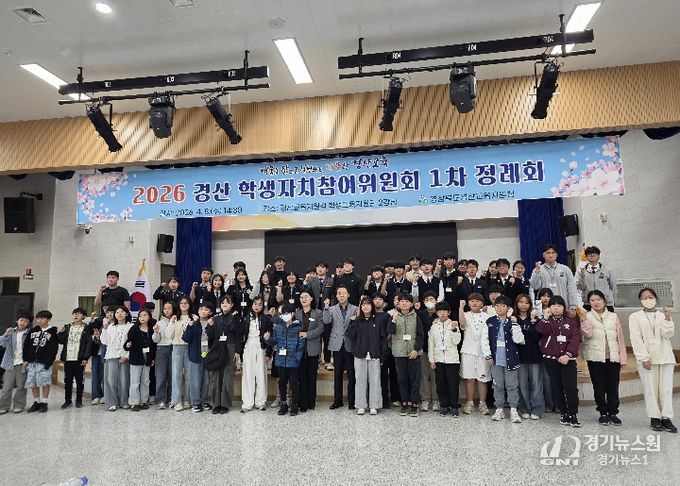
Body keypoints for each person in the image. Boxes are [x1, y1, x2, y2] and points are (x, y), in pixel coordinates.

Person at [628, 288, 676, 433]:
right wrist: (644, 358)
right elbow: (636, 338)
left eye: (650, 297)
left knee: (666, 389)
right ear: (640, 301)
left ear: (655, 298)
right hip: (648, 358)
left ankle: (666, 418)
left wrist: (668, 318)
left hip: (665, 357)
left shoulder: (662, 315)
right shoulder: (635, 317)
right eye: (644, 298)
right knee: (650, 389)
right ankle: (655, 417)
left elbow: (668, 334)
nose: (648, 300)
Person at [579, 289, 627, 426]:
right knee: (599, 387)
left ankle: (613, 412)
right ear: (589, 303)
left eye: (598, 299)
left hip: (612, 357)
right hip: (595, 358)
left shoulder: (613, 316)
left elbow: (620, 338)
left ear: (604, 301)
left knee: (613, 386)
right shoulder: (587, 316)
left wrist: (623, 357)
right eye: (592, 300)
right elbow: (587, 334)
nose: (596, 302)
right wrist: (583, 319)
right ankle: (603, 412)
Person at [536, 295, 581, 427]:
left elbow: (575, 339)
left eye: (559, 305)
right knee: (557, 387)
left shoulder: (571, 321)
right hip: (551, 359)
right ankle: (564, 413)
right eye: (553, 305)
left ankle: (573, 414)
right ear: (549, 307)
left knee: (571, 388)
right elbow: (541, 331)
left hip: (568, 359)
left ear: (563, 307)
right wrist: (545, 317)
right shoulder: (546, 321)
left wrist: (568, 354)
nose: (556, 308)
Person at [481, 296, 525, 423]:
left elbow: (519, 340)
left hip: (511, 358)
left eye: (503, 306)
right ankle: (499, 408)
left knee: (512, 385)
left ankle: (513, 409)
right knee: (497, 385)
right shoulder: (490, 321)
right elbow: (484, 339)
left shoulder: (513, 321)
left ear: (508, 308)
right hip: (495, 359)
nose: (500, 308)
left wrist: (515, 324)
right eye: (497, 305)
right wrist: (488, 355)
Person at [345, 296, 387, 416]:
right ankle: (360, 405)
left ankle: (374, 405)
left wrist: (383, 355)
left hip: (375, 354)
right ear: (360, 307)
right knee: (360, 381)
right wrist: (353, 321)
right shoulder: (357, 321)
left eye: (368, 304)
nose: (365, 306)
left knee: (375, 381)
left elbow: (382, 339)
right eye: (363, 305)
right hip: (360, 355)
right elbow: (349, 335)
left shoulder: (378, 320)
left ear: (372, 306)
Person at [387, 293, 424, 417]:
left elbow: (420, 335)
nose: (404, 303)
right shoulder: (393, 316)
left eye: (407, 301)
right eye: (402, 301)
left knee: (414, 379)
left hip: (413, 352)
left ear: (411, 304)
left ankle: (414, 404)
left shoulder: (416, 316)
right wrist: (393, 320)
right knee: (402, 379)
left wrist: (416, 349)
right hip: (399, 352)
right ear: (398, 303)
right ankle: (404, 403)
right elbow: (390, 332)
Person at [264, 303, 304, 416]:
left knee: (294, 384)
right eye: (283, 313)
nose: (285, 315)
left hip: (293, 361)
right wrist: (267, 339)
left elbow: (301, 345)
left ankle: (294, 404)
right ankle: (283, 404)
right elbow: (273, 341)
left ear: (292, 314)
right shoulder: (278, 327)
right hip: (280, 361)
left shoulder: (298, 327)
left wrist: (297, 357)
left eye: (287, 313)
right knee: (282, 383)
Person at [324, 285, 359, 409]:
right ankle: (337, 400)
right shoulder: (331, 309)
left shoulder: (355, 309)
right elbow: (326, 321)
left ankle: (352, 401)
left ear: (348, 295)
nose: (342, 295)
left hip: (350, 344)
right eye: (339, 293)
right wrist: (326, 308)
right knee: (337, 374)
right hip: (337, 344)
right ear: (336, 296)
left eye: (344, 293)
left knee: (351, 374)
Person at [458, 294, 491, 415]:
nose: (474, 303)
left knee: (482, 379)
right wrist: (461, 308)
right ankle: (470, 403)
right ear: (468, 303)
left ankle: (482, 403)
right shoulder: (465, 315)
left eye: (477, 301)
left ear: (482, 303)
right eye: (472, 301)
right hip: (468, 351)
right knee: (470, 379)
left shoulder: (487, 316)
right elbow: (462, 323)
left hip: (483, 352)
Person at [428, 301, 462, 417]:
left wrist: (454, 330)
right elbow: (431, 344)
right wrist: (431, 360)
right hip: (438, 359)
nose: (442, 313)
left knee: (453, 384)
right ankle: (444, 405)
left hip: (452, 360)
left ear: (449, 312)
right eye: (440, 311)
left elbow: (457, 341)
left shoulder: (453, 324)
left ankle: (454, 406)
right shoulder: (434, 326)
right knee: (440, 384)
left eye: (444, 311)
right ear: (437, 313)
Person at [207, 296, 241, 414]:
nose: (225, 304)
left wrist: (237, 352)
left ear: (232, 305)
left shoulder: (235, 318)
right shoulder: (215, 318)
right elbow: (210, 336)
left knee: (227, 377)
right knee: (216, 377)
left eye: (228, 302)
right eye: (222, 303)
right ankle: (216, 404)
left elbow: (238, 336)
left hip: (230, 347)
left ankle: (225, 404)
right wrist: (210, 326)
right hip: (217, 348)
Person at [56, 307, 94, 409]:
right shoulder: (67, 327)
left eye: (78, 314)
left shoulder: (87, 328)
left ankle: (79, 400)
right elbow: (60, 341)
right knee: (68, 380)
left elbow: (89, 344)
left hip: (79, 358)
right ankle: (67, 401)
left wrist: (86, 357)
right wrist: (60, 333)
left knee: (79, 381)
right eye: (74, 314)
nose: (76, 315)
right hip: (68, 358)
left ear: (84, 316)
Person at [240, 297, 273, 412]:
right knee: (248, 374)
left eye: (259, 304)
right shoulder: (246, 318)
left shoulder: (266, 319)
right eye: (255, 304)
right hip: (248, 346)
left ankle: (261, 402)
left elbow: (270, 337)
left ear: (262, 306)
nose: (257, 306)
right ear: (252, 305)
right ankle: (247, 403)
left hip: (261, 347)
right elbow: (241, 335)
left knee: (261, 374)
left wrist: (269, 353)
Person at [181, 301, 215, 413]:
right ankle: (195, 403)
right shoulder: (193, 324)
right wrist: (189, 327)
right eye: (201, 309)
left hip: (208, 356)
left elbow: (214, 339)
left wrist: (211, 327)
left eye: (206, 309)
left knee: (206, 381)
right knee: (195, 380)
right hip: (195, 356)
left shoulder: (212, 324)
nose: (203, 311)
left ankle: (204, 400)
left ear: (210, 312)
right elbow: (185, 338)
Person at [515, 294, 544, 420]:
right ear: (517, 304)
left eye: (526, 303)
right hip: (519, 357)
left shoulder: (536, 319)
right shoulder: (513, 318)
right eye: (521, 302)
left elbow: (537, 337)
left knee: (536, 384)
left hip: (534, 356)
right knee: (522, 385)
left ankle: (537, 409)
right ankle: (524, 408)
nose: (524, 305)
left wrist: (532, 322)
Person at [23, 310, 58, 413]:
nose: (39, 320)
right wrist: (25, 359)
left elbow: (53, 349)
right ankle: (37, 402)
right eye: (38, 318)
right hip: (32, 362)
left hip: (44, 363)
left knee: (45, 382)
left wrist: (49, 362)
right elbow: (26, 345)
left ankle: (44, 402)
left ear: (48, 319)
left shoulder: (52, 332)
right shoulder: (33, 331)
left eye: (42, 318)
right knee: (33, 382)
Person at [530, 244, 580, 316]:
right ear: (543, 255)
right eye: (548, 253)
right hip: (545, 309)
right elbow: (535, 286)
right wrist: (536, 272)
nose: (550, 255)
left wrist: (573, 306)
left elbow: (572, 288)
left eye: (553, 253)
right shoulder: (538, 269)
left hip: (563, 307)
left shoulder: (565, 269)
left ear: (557, 254)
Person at [100, 306, 133, 412]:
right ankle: (112, 402)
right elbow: (104, 341)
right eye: (117, 312)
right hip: (111, 355)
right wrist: (105, 328)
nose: (119, 314)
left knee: (124, 380)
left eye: (122, 312)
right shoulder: (110, 327)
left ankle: (124, 401)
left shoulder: (131, 326)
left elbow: (133, 343)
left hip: (125, 356)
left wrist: (127, 355)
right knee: (111, 380)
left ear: (126, 314)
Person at [296, 290, 324, 412]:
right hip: (299, 350)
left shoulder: (318, 313)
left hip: (313, 349)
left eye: (306, 297)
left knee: (312, 377)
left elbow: (320, 329)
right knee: (301, 377)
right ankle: (302, 403)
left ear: (311, 298)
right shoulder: (296, 313)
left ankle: (311, 402)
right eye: (301, 297)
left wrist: (307, 334)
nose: (303, 299)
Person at [0, 311, 32, 414]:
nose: (23, 322)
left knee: (21, 386)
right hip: (10, 363)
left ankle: (19, 405)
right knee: (6, 387)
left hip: (23, 363)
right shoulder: (11, 331)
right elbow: (2, 343)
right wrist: (5, 334)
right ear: (17, 321)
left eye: (26, 321)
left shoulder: (30, 333)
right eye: (21, 320)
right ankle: (3, 406)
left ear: (29, 323)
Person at [124, 308, 156, 412]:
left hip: (147, 358)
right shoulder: (134, 328)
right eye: (140, 315)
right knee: (135, 381)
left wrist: (152, 358)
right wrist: (128, 345)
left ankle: (143, 401)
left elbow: (153, 346)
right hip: (136, 358)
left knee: (145, 381)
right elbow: (127, 342)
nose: (142, 317)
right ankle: (134, 402)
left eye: (145, 315)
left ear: (149, 317)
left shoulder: (151, 329)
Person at [166, 296, 195, 411]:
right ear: (178, 305)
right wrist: (172, 323)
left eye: (186, 303)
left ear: (189, 305)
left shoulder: (194, 317)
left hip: (190, 348)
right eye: (181, 303)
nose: (183, 305)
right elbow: (168, 335)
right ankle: (177, 401)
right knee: (176, 375)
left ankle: (188, 400)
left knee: (189, 375)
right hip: (177, 347)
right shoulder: (174, 318)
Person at [416, 291, 440, 412]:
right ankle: (425, 399)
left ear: (436, 301)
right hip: (424, 349)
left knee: (436, 376)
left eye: (431, 299)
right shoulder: (420, 314)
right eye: (427, 300)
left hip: (437, 350)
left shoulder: (440, 313)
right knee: (424, 375)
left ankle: (436, 400)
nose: (429, 301)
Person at [88, 302, 115, 405]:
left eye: (111, 311)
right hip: (97, 353)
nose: (108, 313)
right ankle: (96, 396)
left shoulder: (116, 325)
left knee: (106, 375)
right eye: (106, 310)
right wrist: (97, 337)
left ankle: (105, 395)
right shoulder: (99, 321)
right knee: (96, 375)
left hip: (109, 354)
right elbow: (92, 333)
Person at [376, 293, 399, 409]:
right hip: (377, 350)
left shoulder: (387, 316)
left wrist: (385, 341)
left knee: (394, 374)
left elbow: (390, 331)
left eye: (380, 299)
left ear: (384, 303)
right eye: (375, 299)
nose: (377, 301)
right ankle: (381, 400)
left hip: (389, 348)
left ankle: (394, 398)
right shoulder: (370, 315)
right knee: (381, 375)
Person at [152, 301, 177, 409]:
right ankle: (161, 400)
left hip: (174, 348)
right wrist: (156, 332)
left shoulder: (177, 320)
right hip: (161, 349)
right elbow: (155, 340)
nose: (166, 311)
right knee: (160, 375)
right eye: (165, 308)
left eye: (169, 308)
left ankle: (171, 398)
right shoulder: (159, 322)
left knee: (173, 375)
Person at [577, 246, 616, 311]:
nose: (592, 255)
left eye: (594, 253)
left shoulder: (607, 270)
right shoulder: (581, 270)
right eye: (589, 254)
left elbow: (613, 286)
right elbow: (580, 288)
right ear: (586, 257)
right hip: (588, 304)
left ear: (599, 256)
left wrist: (613, 301)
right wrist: (582, 276)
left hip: (606, 303)